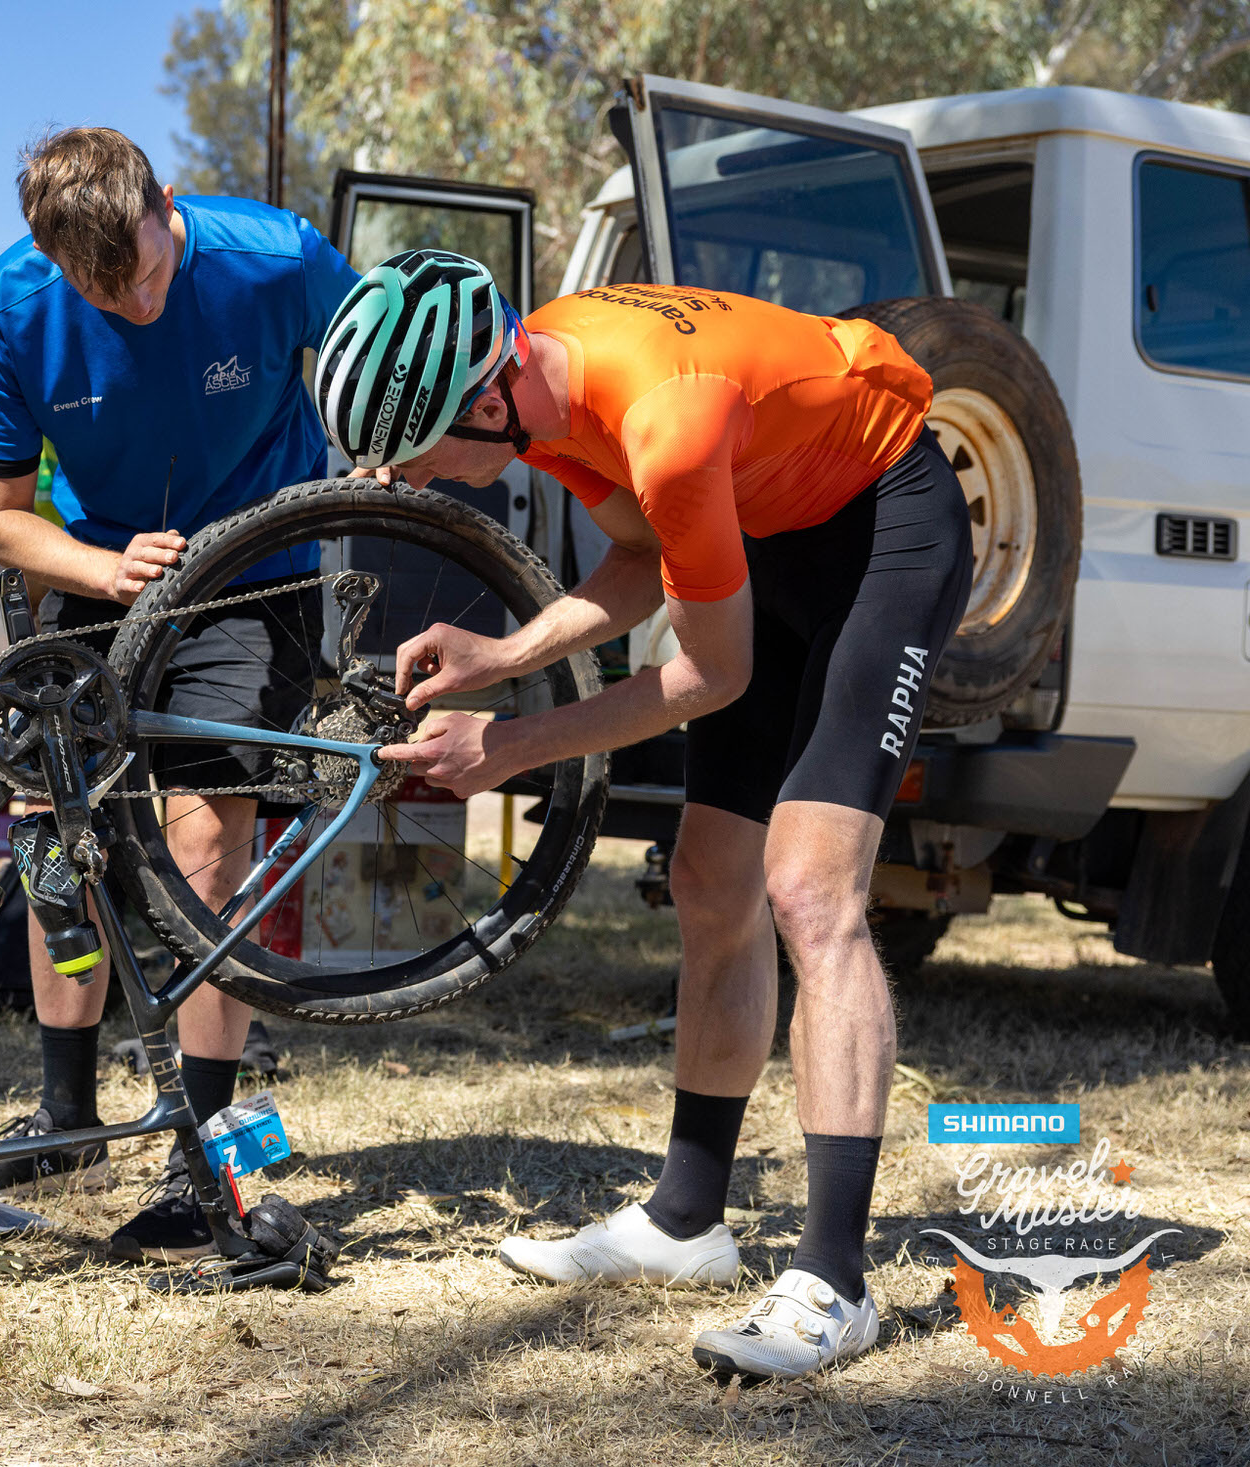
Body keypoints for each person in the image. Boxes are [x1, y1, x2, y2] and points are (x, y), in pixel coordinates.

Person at [315, 254, 970, 1380]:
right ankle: (685, 1222)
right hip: (766, 528)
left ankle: (835, 1281)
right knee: (712, 880)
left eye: (419, 456)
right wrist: (508, 655)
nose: (416, 481)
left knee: (810, 891)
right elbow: (640, 551)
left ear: (483, 398)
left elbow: (707, 675)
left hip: (887, 537)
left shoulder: (663, 416)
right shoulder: (546, 382)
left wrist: (508, 742)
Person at [0, 126, 357, 1262]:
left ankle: (202, 1138)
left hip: (251, 570)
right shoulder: (7, 306)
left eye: (148, 279)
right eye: (100, 293)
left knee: (206, 844)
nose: (131, 308)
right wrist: (99, 570)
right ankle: (66, 1113)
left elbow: (383, 363)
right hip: (89, 567)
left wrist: (377, 456)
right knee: (52, 845)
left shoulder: (278, 256)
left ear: (167, 207)